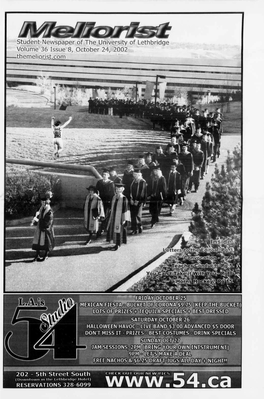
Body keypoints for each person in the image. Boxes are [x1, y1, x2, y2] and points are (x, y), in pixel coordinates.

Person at [31, 191, 55, 261]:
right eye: (42, 201)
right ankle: (37, 254)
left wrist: (44, 225)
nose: (43, 203)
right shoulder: (41, 208)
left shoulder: (49, 210)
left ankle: (46, 254)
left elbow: (49, 219)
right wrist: (34, 221)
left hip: (46, 227)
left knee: (46, 240)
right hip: (40, 226)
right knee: (38, 240)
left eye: (44, 201)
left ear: (47, 202)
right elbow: (37, 215)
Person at [107, 183, 130, 251]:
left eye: (119, 189)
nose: (118, 190)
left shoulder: (124, 198)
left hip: (120, 217)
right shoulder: (114, 197)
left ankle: (118, 244)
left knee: (119, 231)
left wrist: (125, 219)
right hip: (114, 216)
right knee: (114, 230)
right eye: (117, 189)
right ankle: (115, 243)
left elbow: (126, 209)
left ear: (122, 189)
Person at [95, 169, 115, 234]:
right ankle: (99, 227)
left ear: (108, 175)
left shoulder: (111, 183)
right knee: (99, 214)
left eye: (105, 175)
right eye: (103, 175)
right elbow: (96, 191)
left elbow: (113, 194)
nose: (104, 176)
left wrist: (111, 202)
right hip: (100, 201)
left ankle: (103, 228)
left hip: (107, 202)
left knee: (105, 215)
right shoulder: (99, 182)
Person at [129, 168, 147, 234]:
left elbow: (142, 192)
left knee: (137, 215)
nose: (134, 176)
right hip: (133, 200)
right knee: (133, 215)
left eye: (136, 174)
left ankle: (139, 226)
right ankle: (134, 229)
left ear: (139, 174)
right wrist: (131, 199)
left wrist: (137, 200)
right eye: (134, 174)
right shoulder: (133, 181)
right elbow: (130, 191)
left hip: (139, 200)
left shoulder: (142, 182)